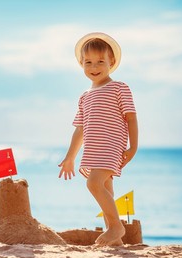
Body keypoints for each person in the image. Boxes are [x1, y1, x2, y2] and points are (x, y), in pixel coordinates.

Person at [58, 32, 138, 246]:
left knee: (93, 184)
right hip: (93, 149)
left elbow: (131, 118)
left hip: (112, 146)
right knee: (107, 191)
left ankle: (116, 227)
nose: (94, 67)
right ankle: (115, 241)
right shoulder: (85, 96)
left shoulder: (119, 88)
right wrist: (70, 157)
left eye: (100, 61)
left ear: (111, 62)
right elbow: (80, 129)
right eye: (88, 62)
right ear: (81, 64)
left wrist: (133, 147)